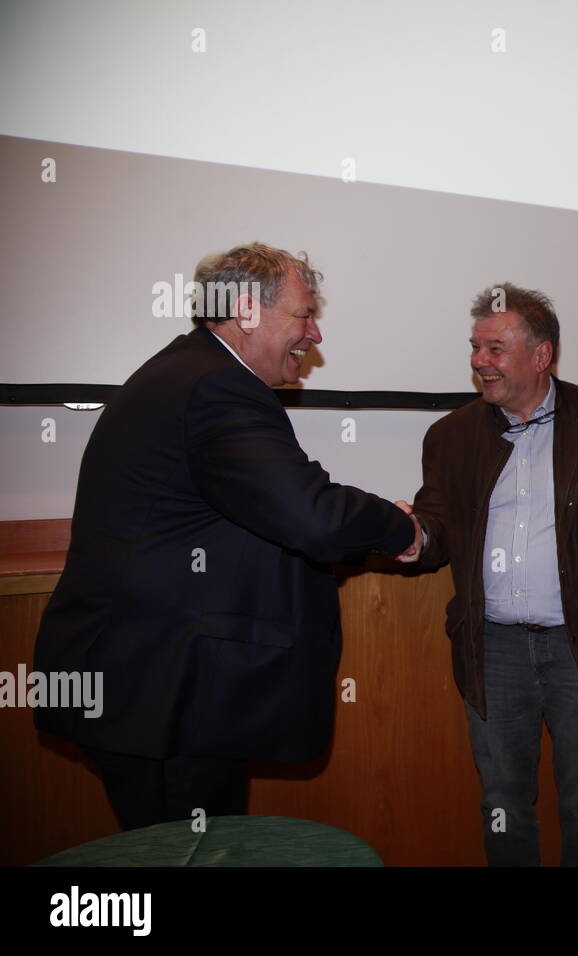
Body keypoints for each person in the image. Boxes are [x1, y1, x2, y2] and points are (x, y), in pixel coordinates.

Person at [34, 242, 422, 831]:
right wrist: (401, 528)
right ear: (246, 311)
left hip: (147, 684)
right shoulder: (217, 387)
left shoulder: (185, 372)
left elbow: (265, 510)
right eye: (304, 315)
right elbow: (308, 512)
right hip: (161, 692)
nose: (314, 334)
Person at [410, 283, 578, 866]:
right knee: (503, 801)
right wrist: (412, 536)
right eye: (476, 347)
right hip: (494, 649)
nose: (480, 361)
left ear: (542, 355)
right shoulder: (451, 436)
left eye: (495, 348)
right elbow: (438, 525)